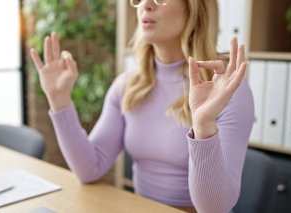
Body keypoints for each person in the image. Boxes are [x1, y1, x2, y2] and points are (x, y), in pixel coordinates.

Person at [30, 0, 254, 212]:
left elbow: (214, 209)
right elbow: (90, 168)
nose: (146, 4)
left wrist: (204, 125)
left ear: (194, 8)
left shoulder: (228, 91)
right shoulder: (127, 86)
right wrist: (59, 100)